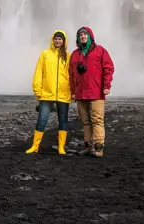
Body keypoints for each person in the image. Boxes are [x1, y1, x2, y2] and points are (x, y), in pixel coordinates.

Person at [69, 26, 114, 158]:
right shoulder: (75, 54)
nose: (83, 36)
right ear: (78, 38)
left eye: (85, 34)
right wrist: (73, 91)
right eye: (80, 35)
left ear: (90, 36)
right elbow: (71, 74)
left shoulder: (100, 51)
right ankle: (89, 146)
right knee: (85, 121)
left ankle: (99, 147)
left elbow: (108, 68)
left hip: (96, 91)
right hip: (80, 92)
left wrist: (106, 85)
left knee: (97, 119)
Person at [26, 30, 72, 155]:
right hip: (46, 93)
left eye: (60, 39)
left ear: (64, 41)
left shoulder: (68, 56)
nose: (58, 41)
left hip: (63, 93)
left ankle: (61, 147)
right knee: (42, 119)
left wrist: (72, 91)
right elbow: (39, 72)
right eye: (56, 39)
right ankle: (35, 146)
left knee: (63, 120)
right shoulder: (45, 54)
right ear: (53, 40)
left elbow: (72, 75)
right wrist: (37, 89)